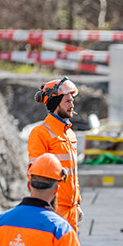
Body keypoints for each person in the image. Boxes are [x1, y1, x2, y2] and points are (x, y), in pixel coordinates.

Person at [28, 77, 82, 232]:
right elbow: (35, 175)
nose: (72, 105)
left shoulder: (70, 134)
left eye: (72, 101)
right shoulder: (41, 133)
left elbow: (73, 174)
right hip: (53, 210)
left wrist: (77, 204)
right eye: (68, 101)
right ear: (55, 103)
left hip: (71, 210)